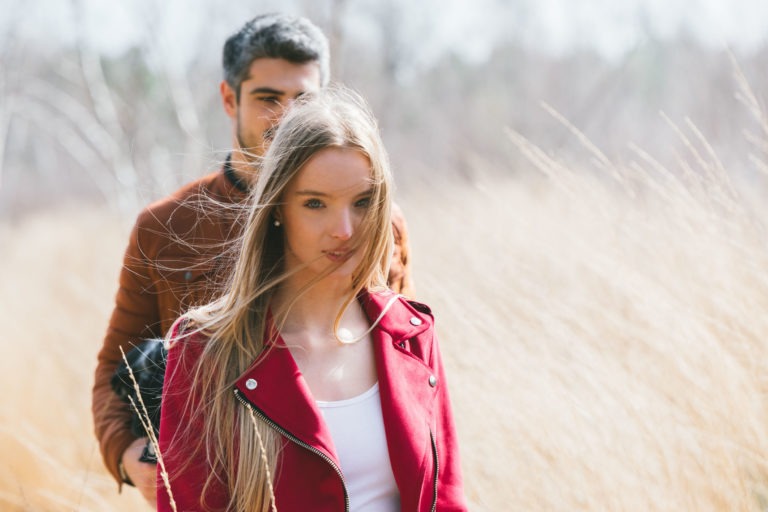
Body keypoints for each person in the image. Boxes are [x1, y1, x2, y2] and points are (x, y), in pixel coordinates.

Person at [91, 13, 414, 506]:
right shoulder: (166, 226)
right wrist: (136, 461)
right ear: (229, 99)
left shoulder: (374, 224)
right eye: (268, 98)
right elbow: (115, 370)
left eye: (303, 100)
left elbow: (399, 366)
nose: (286, 118)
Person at [157, 87, 466, 512]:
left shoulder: (411, 333)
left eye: (362, 202)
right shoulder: (205, 347)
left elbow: (447, 499)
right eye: (316, 203)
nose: (344, 229)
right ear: (279, 207)